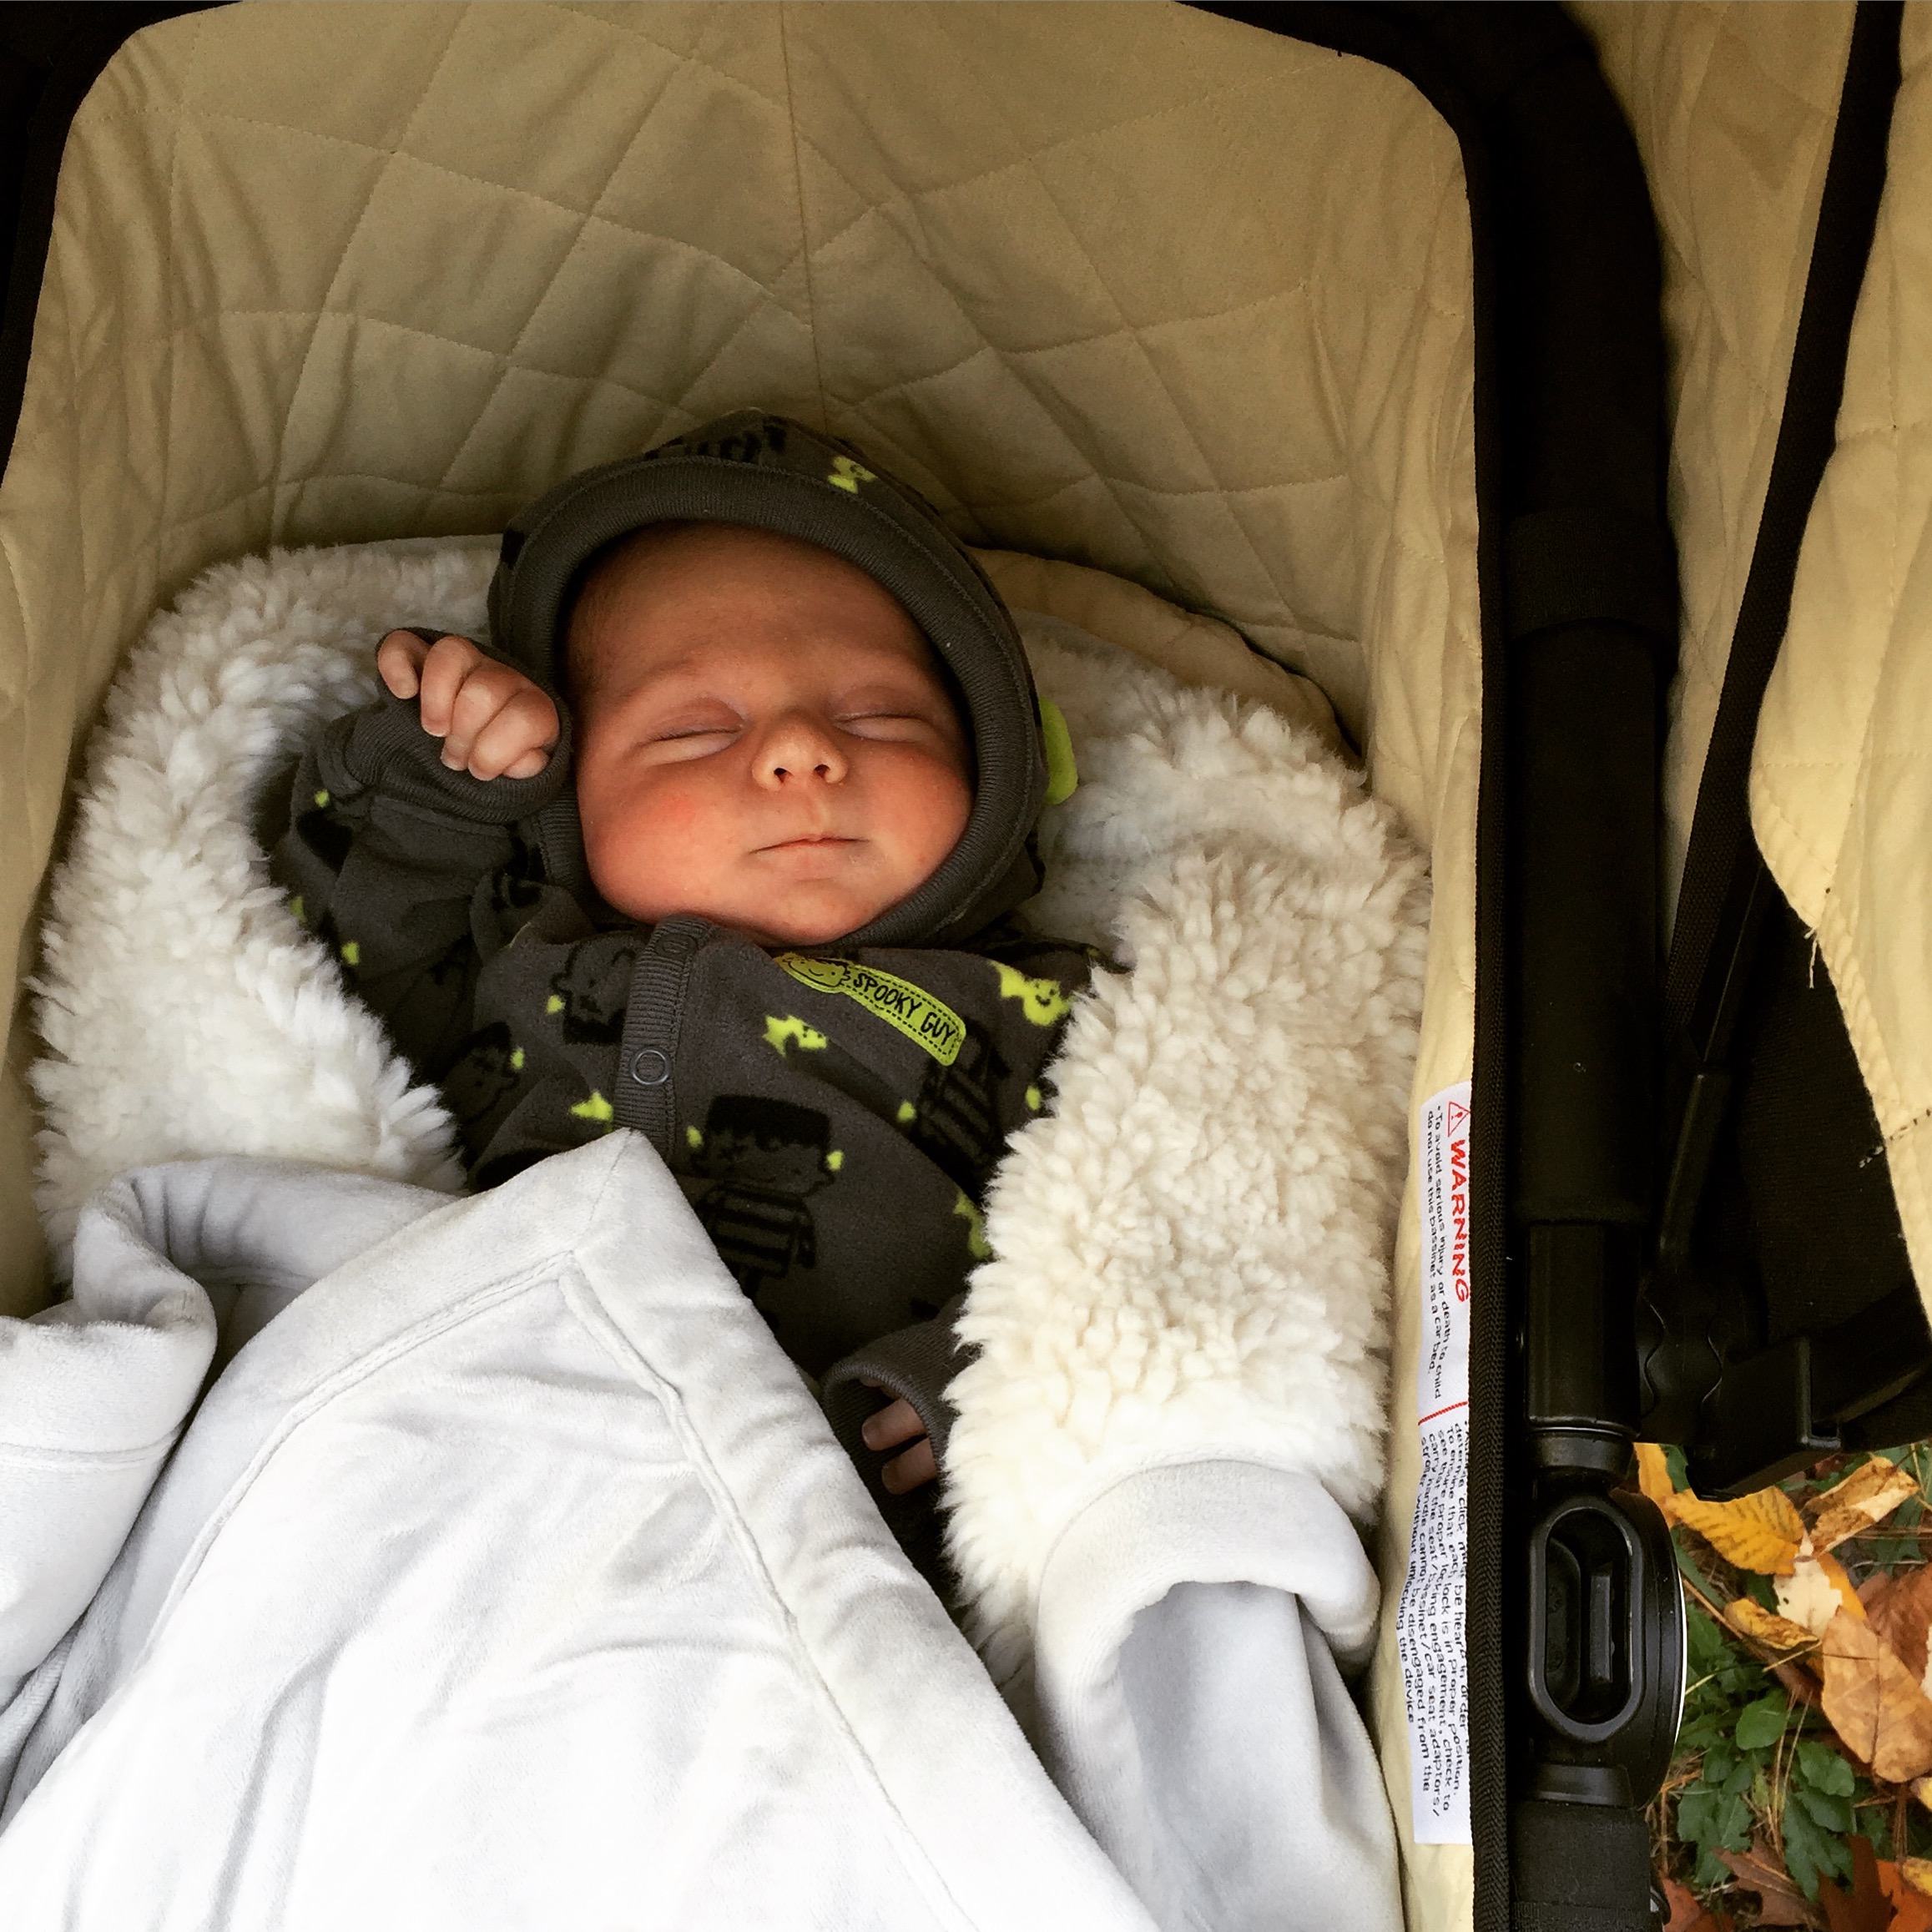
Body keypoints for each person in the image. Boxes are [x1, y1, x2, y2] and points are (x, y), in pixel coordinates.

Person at [268, 412, 1090, 1584]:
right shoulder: (515, 945)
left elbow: (1144, 1251)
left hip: (827, 1534)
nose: (800, 752)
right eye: (697, 730)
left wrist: (983, 1387)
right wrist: (450, 771)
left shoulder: (1041, 1013)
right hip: (482, 1480)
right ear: (574, 800)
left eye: (881, 715)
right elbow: (344, 950)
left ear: (998, 764)